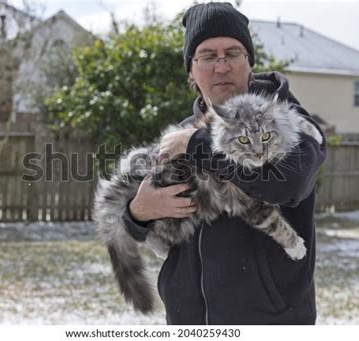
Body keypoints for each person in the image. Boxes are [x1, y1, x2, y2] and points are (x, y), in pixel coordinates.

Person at [122, 2, 327, 325]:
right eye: (207, 56)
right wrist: (137, 213)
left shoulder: (288, 119)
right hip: (188, 320)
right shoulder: (183, 130)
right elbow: (135, 222)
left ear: (249, 63)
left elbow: (290, 183)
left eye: (232, 53)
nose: (221, 67)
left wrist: (196, 145)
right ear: (191, 69)